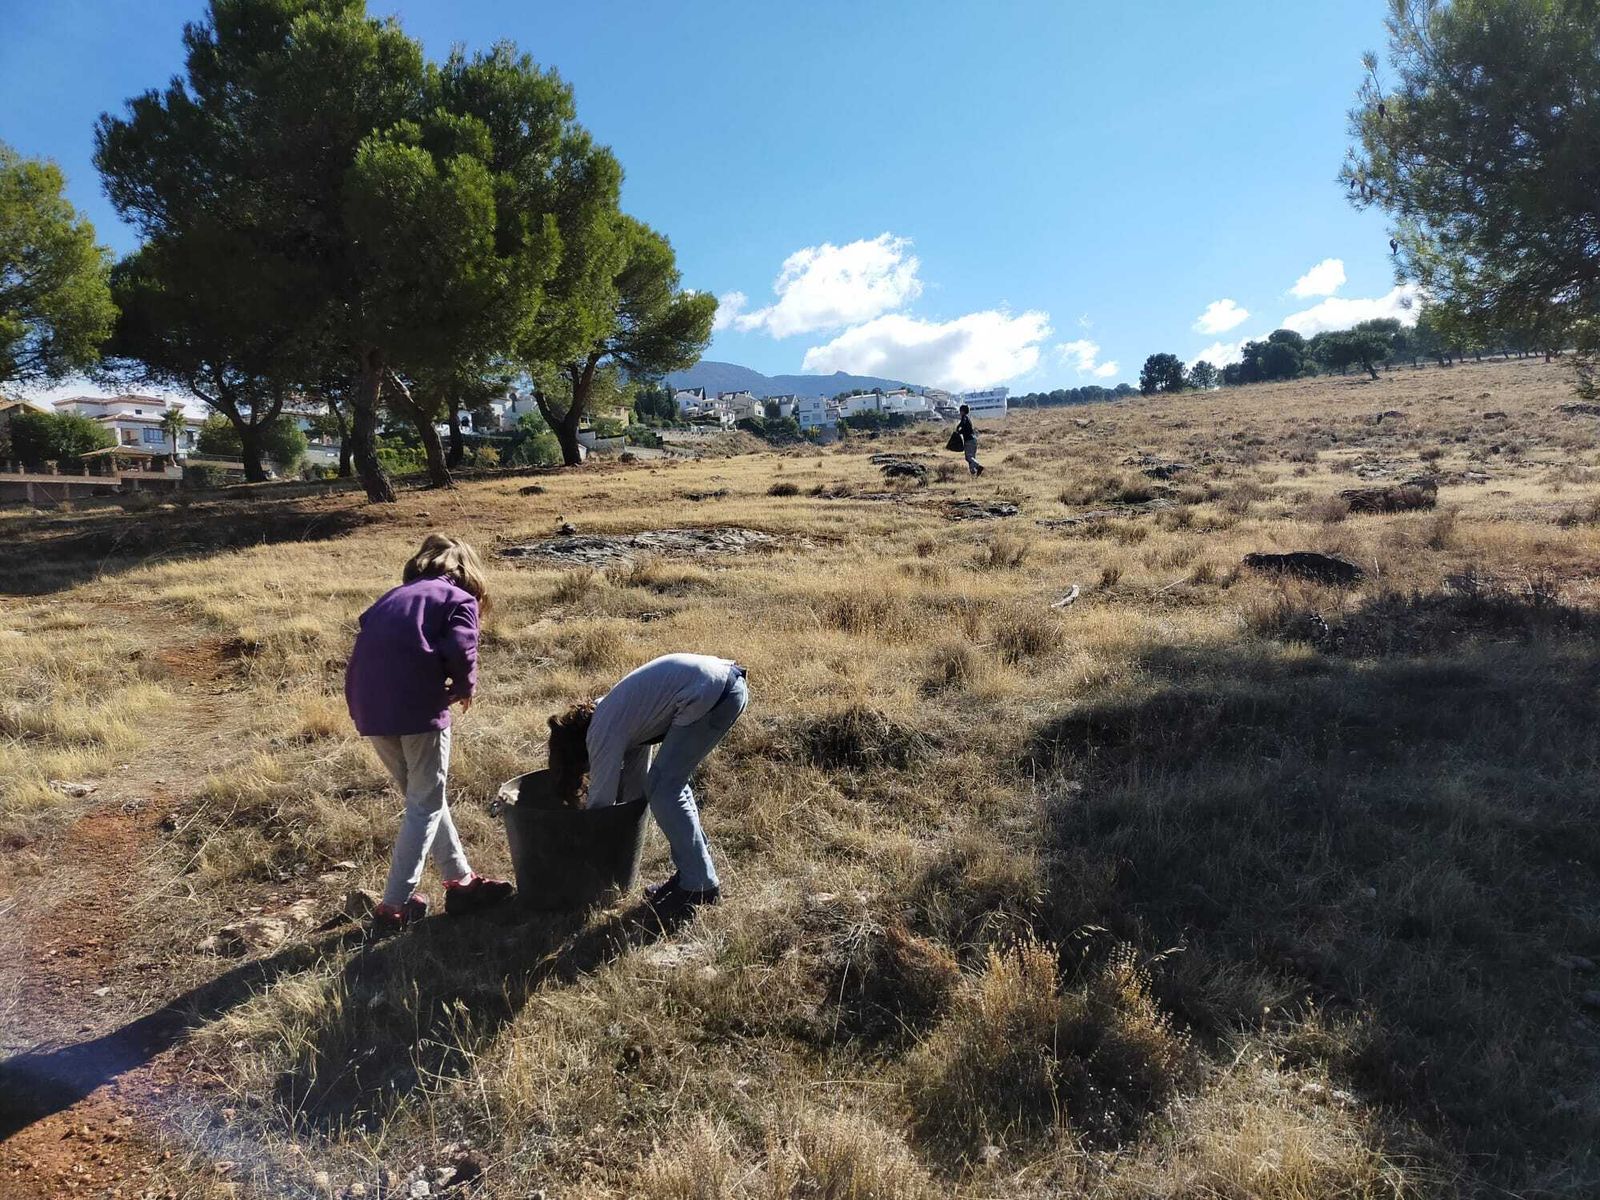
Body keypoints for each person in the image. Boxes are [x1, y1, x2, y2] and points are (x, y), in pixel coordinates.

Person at [345, 534, 514, 931]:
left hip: (368, 706)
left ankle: (462, 882)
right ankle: (394, 906)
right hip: (417, 706)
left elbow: (366, 634)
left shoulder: (392, 596)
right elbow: (462, 646)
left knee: (425, 799)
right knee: (424, 804)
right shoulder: (458, 599)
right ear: (468, 573)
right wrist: (466, 685)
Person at [547, 653, 749, 917]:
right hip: (723, 686)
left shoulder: (601, 732)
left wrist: (580, 857)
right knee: (666, 784)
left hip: (711, 693)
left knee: (665, 788)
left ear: (575, 754)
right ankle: (693, 871)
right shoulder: (622, 718)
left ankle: (699, 885)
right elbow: (636, 792)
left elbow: (601, 807)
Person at [957, 404, 984, 476]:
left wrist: (959, 430)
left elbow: (963, 424)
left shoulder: (964, 418)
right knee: (972, 458)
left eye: (960, 411)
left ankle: (978, 467)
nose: (959, 412)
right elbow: (963, 425)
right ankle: (973, 474)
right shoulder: (967, 418)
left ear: (962, 411)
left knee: (968, 457)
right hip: (973, 440)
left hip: (969, 441)